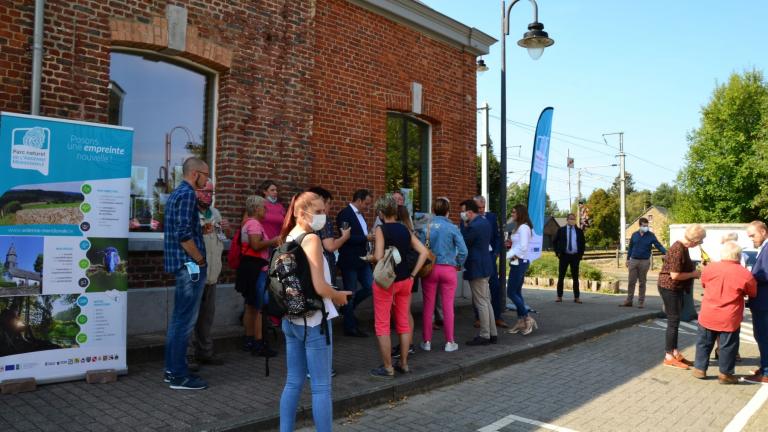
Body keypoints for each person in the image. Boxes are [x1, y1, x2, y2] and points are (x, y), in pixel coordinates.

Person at [278, 192, 351, 432]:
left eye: (324, 211)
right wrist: (338, 296)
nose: (324, 216)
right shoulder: (311, 239)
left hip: (292, 319)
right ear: (301, 212)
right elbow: (320, 286)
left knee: (293, 382)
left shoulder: (289, 236)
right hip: (314, 322)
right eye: (318, 212)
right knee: (321, 387)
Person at [163, 157, 210, 390]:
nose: (207, 179)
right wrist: (199, 259)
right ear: (195, 174)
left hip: (182, 265)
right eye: (206, 175)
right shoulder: (188, 194)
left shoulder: (175, 194)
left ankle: (172, 369)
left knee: (178, 321)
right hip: (189, 267)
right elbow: (182, 234)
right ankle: (179, 375)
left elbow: (180, 228)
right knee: (184, 322)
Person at [369, 195, 429, 378]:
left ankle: (388, 367)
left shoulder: (380, 229)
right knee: (403, 323)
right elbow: (424, 252)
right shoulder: (404, 229)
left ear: (380, 212)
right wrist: (412, 275)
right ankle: (403, 363)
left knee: (382, 324)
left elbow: (378, 257)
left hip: (386, 282)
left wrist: (369, 257)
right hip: (405, 280)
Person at [692, 241, 756, 384]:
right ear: (739, 256)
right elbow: (752, 292)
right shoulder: (745, 273)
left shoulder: (710, 268)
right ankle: (725, 374)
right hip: (729, 316)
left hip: (708, 313)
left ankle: (700, 369)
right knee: (728, 346)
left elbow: (703, 284)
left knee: (704, 342)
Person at [187, 180, 228, 368]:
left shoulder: (216, 213)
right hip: (194, 273)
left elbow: (221, 238)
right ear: (195, 192)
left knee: (206, 317)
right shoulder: (189, 212)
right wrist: (202, 229)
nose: (208, 196)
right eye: (204, 192)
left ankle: (205, 352)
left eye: (211, 193)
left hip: (212, 273)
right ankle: (188, 356)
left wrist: (223, 229)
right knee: (190, 317)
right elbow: (183, 238)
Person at [419, 197, 467, 352]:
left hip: (430, 269)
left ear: (433, 210)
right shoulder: (452, 227)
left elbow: (420, 249)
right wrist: (458, 263)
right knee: (447, 307)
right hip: (448, 269)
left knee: (428, 306)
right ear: (448, 211)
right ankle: (449, 342)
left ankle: (426, 341)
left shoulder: (426, 227)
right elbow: (463, 251)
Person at [657, 223, 705, 370]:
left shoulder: (684, 247)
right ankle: (668, 356)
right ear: (694, 240)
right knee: (673, 322)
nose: (700, 244)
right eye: (700, 241)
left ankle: (675, 352)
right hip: (669, 287)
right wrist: (695, 274)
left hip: (675, 288)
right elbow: (675, 275)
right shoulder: (678, 249)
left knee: (675, 321)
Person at [236, 195, 279, 357]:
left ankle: (249, 340)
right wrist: (272, 241)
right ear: (256, 209)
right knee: (260, 306)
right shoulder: (254, 223)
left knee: (251, 305)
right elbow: (255, 245)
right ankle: (259, 343)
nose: (265, 209)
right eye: (263, 207)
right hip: (256, 268)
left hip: (249, 267)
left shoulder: (247, 223)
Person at [336, 189, 374, 337]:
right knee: (350, 292)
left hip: (363, 260)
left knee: (370, 287)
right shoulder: (344, 214)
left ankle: (347, 310)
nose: (367, 207)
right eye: (366, 203)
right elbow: (346, 237)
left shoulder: (361, 215)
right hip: (350, 260)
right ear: (358, 200)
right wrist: (366, 238)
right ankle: (350, 326)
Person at [460, 199, 497, 346]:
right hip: (485, 265)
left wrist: (464, 225)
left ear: (469, 212)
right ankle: (492, 333)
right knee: (486, 301)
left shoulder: (473, 226)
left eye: (463, 212)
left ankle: (485, 335)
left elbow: (464, 241)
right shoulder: (484, 222)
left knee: (481, 302)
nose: (462, 215)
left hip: (477, 267)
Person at [620, 217, 667, 308]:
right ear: (640, 225)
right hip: (633, 260)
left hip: (644, 261)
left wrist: (667, 252)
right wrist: (627, 259)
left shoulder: (651, 235)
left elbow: (658, 245)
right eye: (644, 226)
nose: (646, 227)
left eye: (647, 226)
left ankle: (640, 302)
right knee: (631, 281)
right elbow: (630, 248)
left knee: (642, 282)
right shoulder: (634, 235)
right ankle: (629, 301)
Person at [307, 186, 351, 279]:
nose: (330, 206)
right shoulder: (324, 219)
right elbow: (330, 246)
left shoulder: (305, 218)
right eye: (329, 203)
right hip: (324, 265)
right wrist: (344, 237)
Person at [506, 204, 537, 335]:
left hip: (519, 262)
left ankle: (527, 318)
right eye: (511, 212)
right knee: (517, 293)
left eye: (514, 212)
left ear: (520, 213)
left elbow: (523, 247)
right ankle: (521, 321)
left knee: (511, 292)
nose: (512, 214)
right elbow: (506, 232)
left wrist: (511, 256)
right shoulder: (518, 226)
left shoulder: (524, 227)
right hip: (517, 261)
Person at [745, 220, 768, 384]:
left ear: (763, 232)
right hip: (761, 301)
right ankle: (764, 366)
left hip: (764, 302)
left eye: (753, 235)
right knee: (761, 335)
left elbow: (766, 274)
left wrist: (749, 277)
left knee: (763, 336)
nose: (751, 239)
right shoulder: (764, 248)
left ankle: (766, 372)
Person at [553, 213, 585, 303]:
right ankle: (559, 296)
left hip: (575, 256)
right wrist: (557, 252)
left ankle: (577, 297)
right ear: (567, 220)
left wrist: (580, 255)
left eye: (574, 219)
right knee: (561, 277)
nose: (572, 220)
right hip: (564, 256)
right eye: (571, 219)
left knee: (575, 277)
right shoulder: (561, 230)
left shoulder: (579, 231)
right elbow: (554, 242)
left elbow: (582, 243)